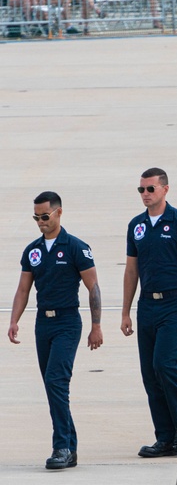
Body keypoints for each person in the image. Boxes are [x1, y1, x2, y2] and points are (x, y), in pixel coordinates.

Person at [8, 192, 102, 470]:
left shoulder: (75, 247)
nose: (40, 222)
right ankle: (69, 447)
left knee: (56, 381)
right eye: (36, 217)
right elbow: (24, 288)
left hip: (67, 322)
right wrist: (14, 320)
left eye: (45, 216)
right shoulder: (33, 251)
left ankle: (61, 445)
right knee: (52, 387)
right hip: (43, 323)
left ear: (59, 213)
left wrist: (96, 326)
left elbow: (93, 287)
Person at [121, 168, 177, 458]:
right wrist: (126, 312)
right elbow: (131, 270)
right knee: (149, 373)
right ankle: (164, 437)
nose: (145, 194)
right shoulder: (136, 225)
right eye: (141, 190)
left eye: (150, 189)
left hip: (175, 304)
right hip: (147, 306)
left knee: (165, 364)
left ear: (165, 190)